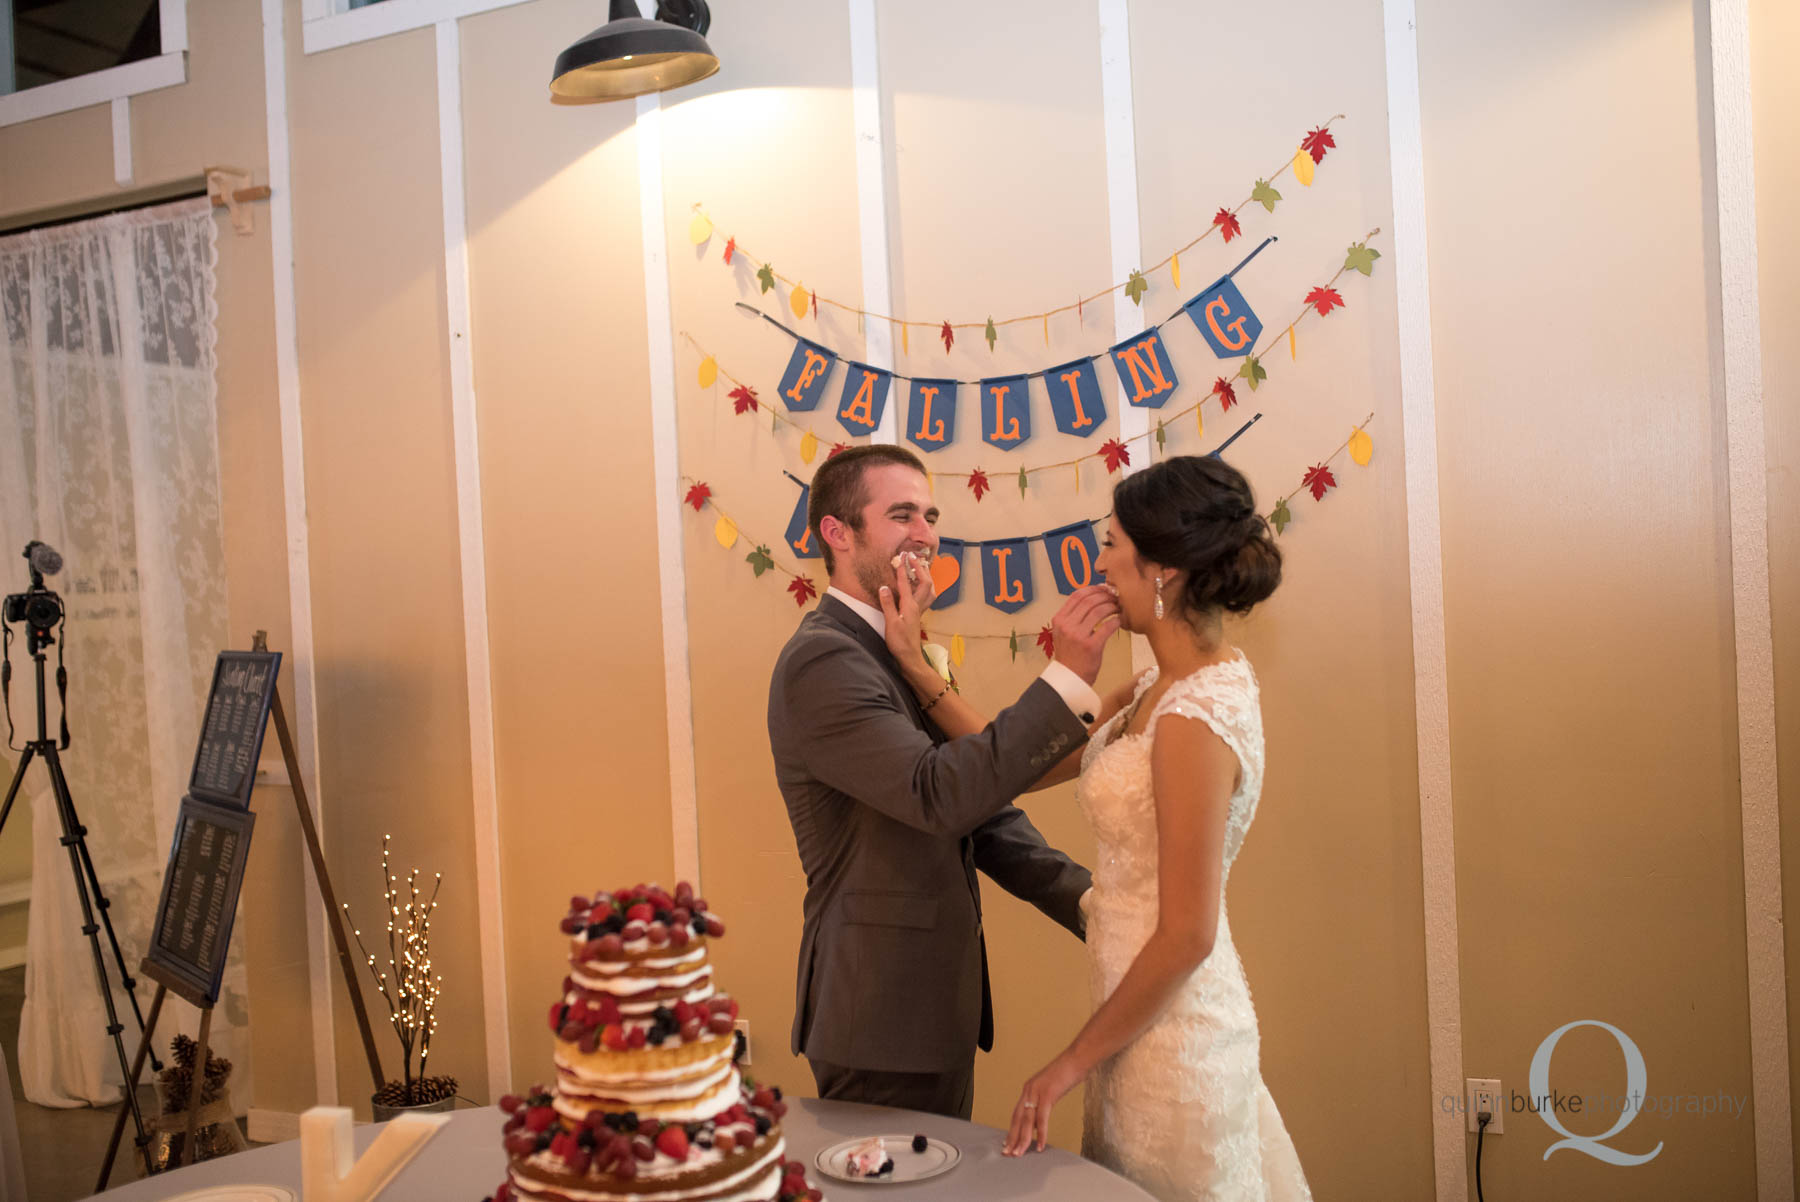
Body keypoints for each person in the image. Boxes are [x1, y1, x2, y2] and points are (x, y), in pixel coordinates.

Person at [880, 454, 1311, 1200]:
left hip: (1178, 1044)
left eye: (1111, 543)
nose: (1099, 561)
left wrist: (1064, 1066)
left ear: (1162, 570)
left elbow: (1187, 935)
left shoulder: (1192, 717)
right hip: (1128, 1028)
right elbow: (1007, 762)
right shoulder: (1149, 687)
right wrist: (920, 669)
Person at [766, 443, 1120, 1120]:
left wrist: (1093, 908)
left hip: (931, 1012)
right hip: (878, 1016)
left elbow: (980, 816)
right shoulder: (825, 659)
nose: (926, 533)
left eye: (929, 514)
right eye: (901, 514)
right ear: (838, 533)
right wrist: (1065, 679)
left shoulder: (898, 646)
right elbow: (939, 793)